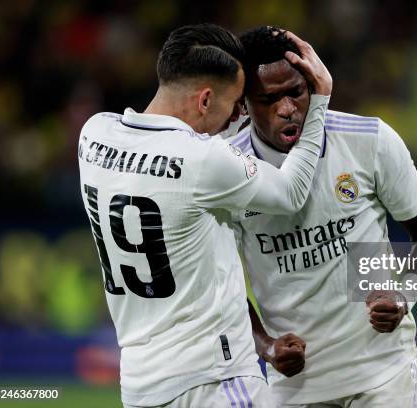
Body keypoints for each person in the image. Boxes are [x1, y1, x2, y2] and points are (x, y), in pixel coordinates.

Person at [78, 23, 332, 407]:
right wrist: (321, 101)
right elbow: (291, 192)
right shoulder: (203, 160)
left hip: (139, 386)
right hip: (214, 381)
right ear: (205, 100)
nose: (235, 120)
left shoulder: (93, 136)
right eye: (234, 106)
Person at [229, 27, 417, 407]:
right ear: (245, 103)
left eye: (296, 92)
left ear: (314, 85)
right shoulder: (227, 169)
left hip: (383, 375)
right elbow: (220, 284)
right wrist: (264, 346)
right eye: (269, 98)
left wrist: (404, 295)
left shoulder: (369, 140)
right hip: (294, 386)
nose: (286, 108)